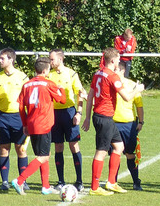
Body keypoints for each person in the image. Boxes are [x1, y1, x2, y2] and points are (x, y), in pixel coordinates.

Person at [82, 48, 142, 195]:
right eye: (119, 59)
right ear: (113, 61)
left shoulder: (97, 73)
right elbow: (127, 97)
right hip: (104, 117)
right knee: (101, 152)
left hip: (102, 116)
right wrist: (138, 89)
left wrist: (88, 118)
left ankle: (111, 182)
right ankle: (95, 188)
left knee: (119, 147)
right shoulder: (112, 76)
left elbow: (90, 97)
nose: (120, 62)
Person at [8, 58, 66, 195]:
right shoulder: (48, 84)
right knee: (43, 156)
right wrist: (61, 89)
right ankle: (20, 180)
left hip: (32, 123)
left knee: (43, 154)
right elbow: (62, 100)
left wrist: (24, 124)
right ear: (45, 70)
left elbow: (21, 107)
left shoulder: (27, 85)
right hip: (44, 123)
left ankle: (45, 186)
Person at [48, 49, 87, 191]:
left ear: (60, 59)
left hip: (69, 112)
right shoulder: (48, 75)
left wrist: (79, 113)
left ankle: (79, 181)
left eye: (52, 59)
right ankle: (60, 181)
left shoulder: (71, 74)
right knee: (58, 146)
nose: (50, 62)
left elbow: (80, 93)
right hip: (54, 114)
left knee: (73, 145)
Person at [0, 48, 30, 191]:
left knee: (21, 149)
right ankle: (4, 181)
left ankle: (22, 181)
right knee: (4, 149)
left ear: (11, 60)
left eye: (2, 58)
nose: (0, 61)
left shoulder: (22, 77)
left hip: (19, 117)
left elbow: (28, 97)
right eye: (0, 58)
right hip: (3, 117)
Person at [113, 72, 145, 191]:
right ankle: (113, 181)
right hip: (113, 123)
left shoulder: (132, 85)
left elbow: (139, 105)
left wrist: (141, 122)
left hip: (129, 124)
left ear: (121, 71)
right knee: (114, 154)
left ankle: (136, 181)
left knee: (130, 154)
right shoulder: (111, 83)